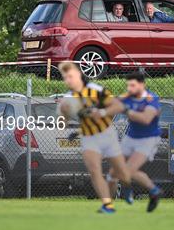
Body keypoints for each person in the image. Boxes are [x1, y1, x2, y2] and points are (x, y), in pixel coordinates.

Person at [58, 62, 131, 214]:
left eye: (70, 76)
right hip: (89, 137)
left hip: (107, 135)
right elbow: (62, 123)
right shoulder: (68, 98)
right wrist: (64, 114)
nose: (68, 80)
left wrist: (102, 113)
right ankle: (107, 205)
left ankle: (120, 186)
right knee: (94, 170)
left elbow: (118, 106)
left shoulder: (96, 90)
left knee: (121, 172)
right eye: (65, 77)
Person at [108, 72, 163, 212]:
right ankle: (108, 205)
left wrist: (127, 110)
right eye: (128, 85)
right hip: (130, 137)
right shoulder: (127, 97)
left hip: (148, 139)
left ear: (142, 84)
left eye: (133, 85)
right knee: (113, 173)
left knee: (128, 170)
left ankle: (154, 191)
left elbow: (146, 119)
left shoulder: (151, 99)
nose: (130, 88)